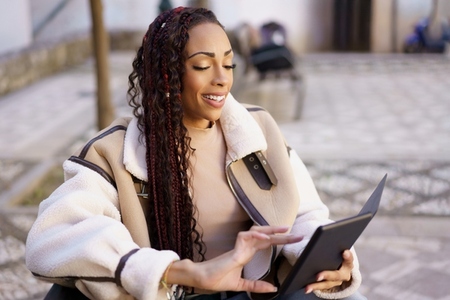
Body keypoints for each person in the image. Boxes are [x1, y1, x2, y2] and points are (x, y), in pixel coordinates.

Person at [26, 6, 366, 300]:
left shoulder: (256, 130)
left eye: (229, 64)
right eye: (203, 66)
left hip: (250, 292)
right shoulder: (115, 151)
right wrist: (179, 272)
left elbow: (306, 215)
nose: (221, 79)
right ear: (168, 75)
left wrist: (327, 258)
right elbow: (51, 238)